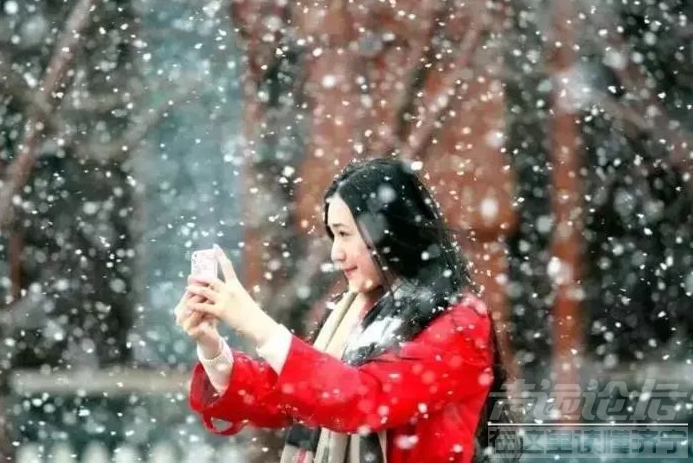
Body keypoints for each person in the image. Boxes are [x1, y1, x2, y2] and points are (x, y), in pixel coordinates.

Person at [175, 157, 521, 463]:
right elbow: (293, 396)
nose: (335, 253)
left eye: (344, 234)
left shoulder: (459, 320)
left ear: (388, 232)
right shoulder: (356, 310)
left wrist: (255, 323)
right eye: (332, 236)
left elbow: (365, 400)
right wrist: (212, 347)